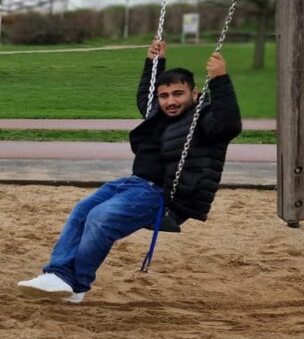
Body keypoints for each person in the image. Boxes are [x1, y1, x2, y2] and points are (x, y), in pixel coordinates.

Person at [18, 39, 242, 304]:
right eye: (164, 95)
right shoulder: (157, 114)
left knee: (102, 218)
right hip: (131, 184)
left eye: (178, 94)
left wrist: (220, 80)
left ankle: (76, 283)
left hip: (161, 195)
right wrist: (154, 62)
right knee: (82, 211)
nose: (170, 101)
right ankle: (60, 275)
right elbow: (145, 96)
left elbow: (229, 124)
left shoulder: (203, 120)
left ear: (194, 94)